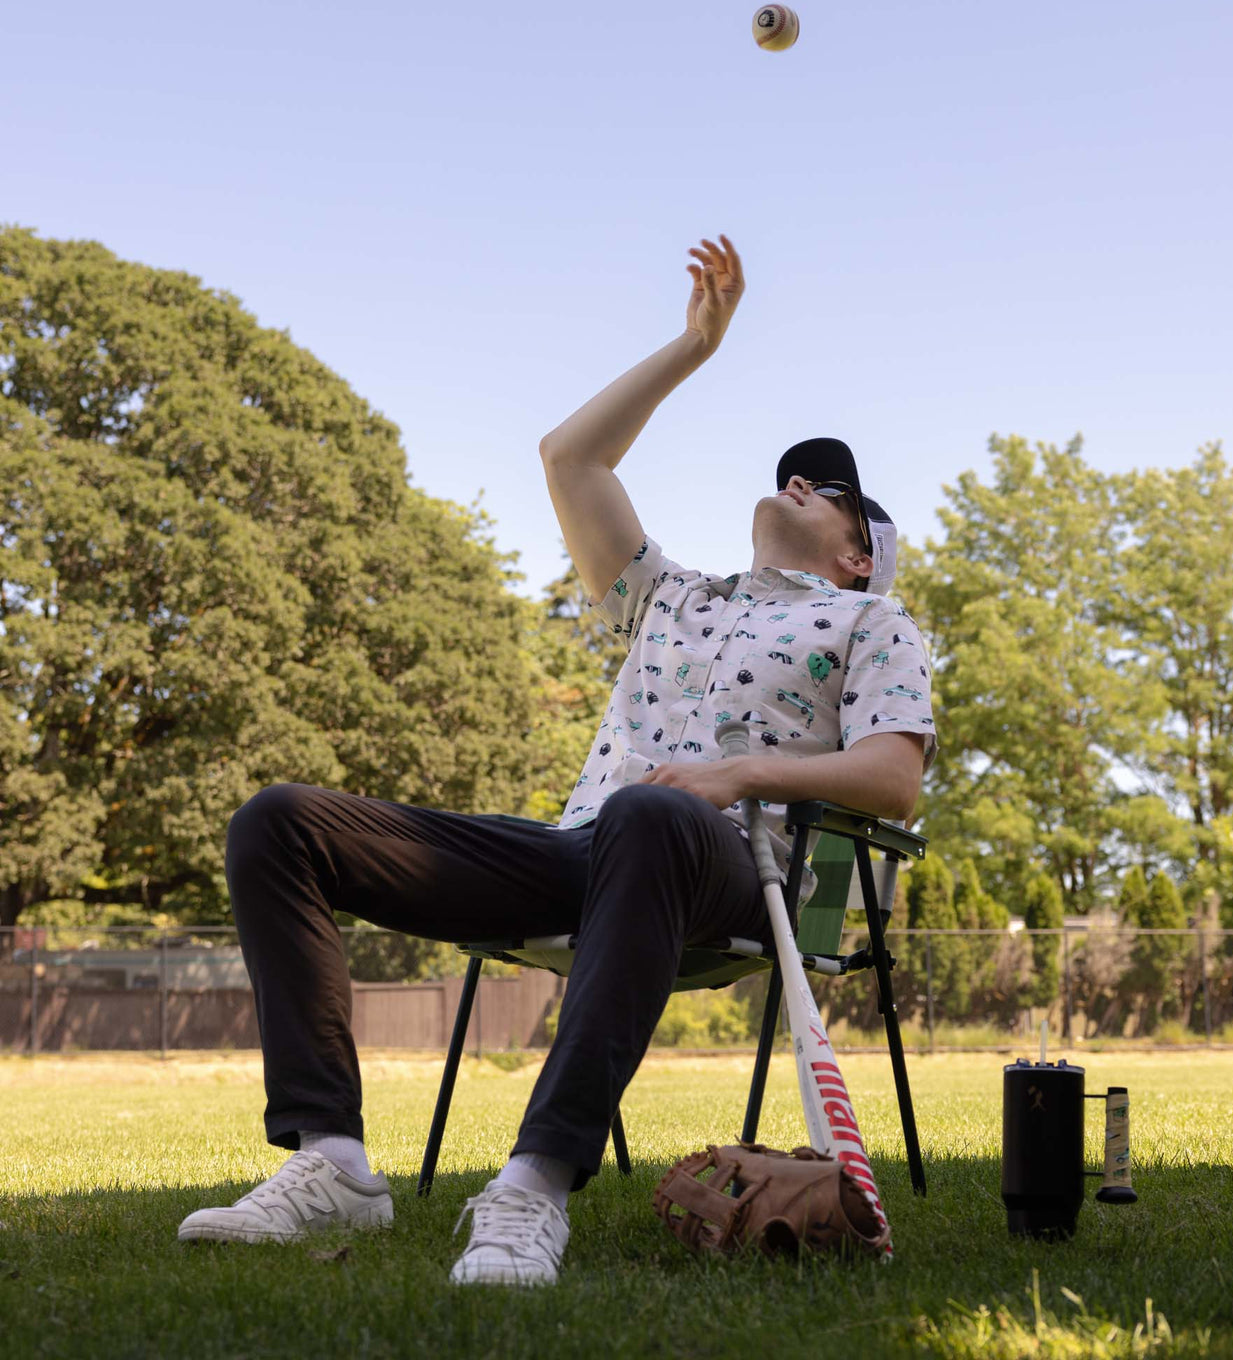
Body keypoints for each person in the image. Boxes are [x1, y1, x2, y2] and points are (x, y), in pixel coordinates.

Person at [176, 234, 937, 1286]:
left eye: (834, 495)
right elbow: (569, 457)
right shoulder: (668, 595)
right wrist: (692, 348)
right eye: (797, 476)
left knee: (651, 813)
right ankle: (333, 1159)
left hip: (723, 864)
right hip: (582, 850)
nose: (802, 481)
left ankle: (531, 1186)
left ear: (859, 554)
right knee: (279, 821)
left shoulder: (871, 621)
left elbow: (893, 777)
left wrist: (733, 776)